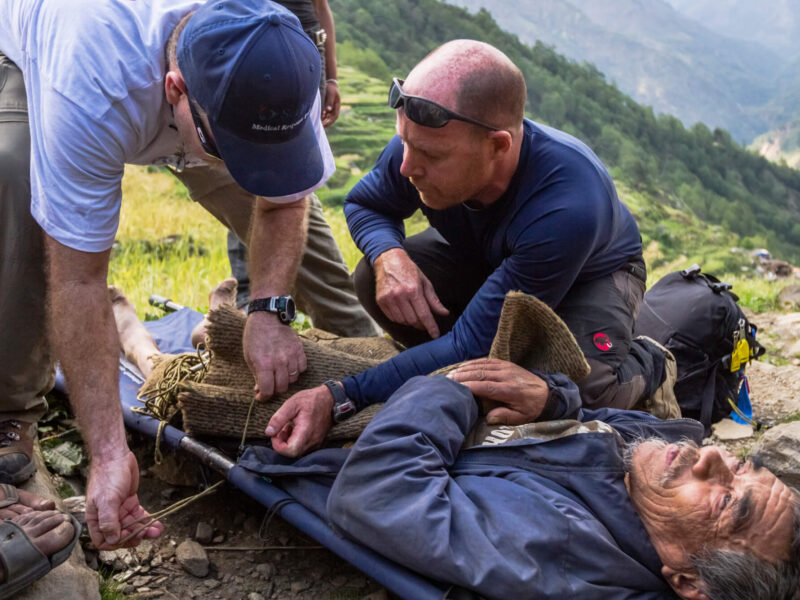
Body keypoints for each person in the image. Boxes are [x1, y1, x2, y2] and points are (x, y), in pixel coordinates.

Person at [0, 0, 355, 550]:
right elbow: (79, 279)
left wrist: (268, 310)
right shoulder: (91, 77)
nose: (246, 171)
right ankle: (11, 408)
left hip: (209, 104)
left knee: (309, 252)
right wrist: (110, 454)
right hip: (31, 54)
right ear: (175, 90)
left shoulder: (276, 59)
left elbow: (285, 204)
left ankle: (370, 367)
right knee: (16, 185)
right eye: (228, 147)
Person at [265, 39, 671, 458]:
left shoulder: (569, 204)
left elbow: (468, 344)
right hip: (495, 260)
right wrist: (389, 254)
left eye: (430, 156)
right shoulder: (420, 139)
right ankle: (459, 364)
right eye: (404, 143)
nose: (407, 167)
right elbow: (366, 203)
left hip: (591, 276)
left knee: (570, 391)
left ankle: (649, 361)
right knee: (374, 278)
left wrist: (339, 397)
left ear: (498, 147)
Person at [320, 365, 799, 600]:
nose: (714, 455)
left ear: (689, 580)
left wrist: (451, 387)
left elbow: (374, 489)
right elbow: (594, 421)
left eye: (727, 503)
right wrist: (551, 400)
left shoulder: (555, 545)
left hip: (323, 451)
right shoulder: (649, 480)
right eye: (741, 467)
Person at [225, 0, 377, 338]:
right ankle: (252, 296)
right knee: (247, 174)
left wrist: (332, 76)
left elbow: (321, 7)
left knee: (287, 181)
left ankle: (331, 318)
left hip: (301, 52)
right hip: (247, 51)